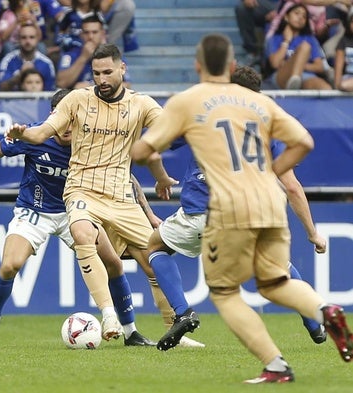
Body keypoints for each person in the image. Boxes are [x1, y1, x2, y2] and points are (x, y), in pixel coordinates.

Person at [131, 33, 353, 383]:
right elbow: (303, 145)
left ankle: (198, 322)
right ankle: (323, 312)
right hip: (267, 206)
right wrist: (271, 180)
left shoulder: (191, 102)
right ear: (232, 65)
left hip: (220, 208)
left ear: (198, 65)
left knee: (208, 281)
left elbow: (143, 151)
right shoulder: (264, 108)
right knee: (276, 278)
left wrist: (159, 172)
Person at [0, 89, 155, 348]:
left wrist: (149, 214)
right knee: (9, 265)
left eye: (72, 119)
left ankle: (131, 332)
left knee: (114, 264)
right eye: (61, 118)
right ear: (54, 115)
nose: (66, 127)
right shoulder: (35, 135)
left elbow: (125, 177)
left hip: (76, 210)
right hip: (34, 211)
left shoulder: (91, 141)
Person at [145, 65, 328, 352]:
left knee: (155, 248)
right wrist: (312, 233)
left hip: (202, 211)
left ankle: (182, 313)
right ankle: (313, 321)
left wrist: (160, 176)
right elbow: (292, 186)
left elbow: (156, 143)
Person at [5, 43, 179, 341]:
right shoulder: (76, 100)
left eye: (108, 72)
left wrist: (161, 177)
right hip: (82, 189)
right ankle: (109, 315)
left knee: (156, 256)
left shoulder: (142, 105)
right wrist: (23, 133)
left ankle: (175, 328)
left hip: (121, 194)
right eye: (96, 73)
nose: (101, 79)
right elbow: (41, 133)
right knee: (83, 234)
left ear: (122, 68)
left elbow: (169, 134)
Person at [264, 3, 332, 89]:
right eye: (296, 13)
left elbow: (319, 67)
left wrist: (298, 64)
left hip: (305, 75)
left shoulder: (310, 39)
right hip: (281, 75)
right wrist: (286, 41)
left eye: (304, 16)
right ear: (286, 17)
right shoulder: (274, 38)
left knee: (325, 88)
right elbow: (275, 64)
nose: (300, 18)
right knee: (305, 47)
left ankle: (295, 81)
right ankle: (294, 80)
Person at [56, 14, 130, 89]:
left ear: (103, 34)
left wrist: (92, 86)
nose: (90, 37)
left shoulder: (114, 55)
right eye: (86, 32)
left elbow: (126, 85)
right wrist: (83, 57)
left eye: (95, 32)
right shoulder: (70, 54)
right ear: (81, 35)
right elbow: (61, 83)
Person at [0, 23, 55, 91]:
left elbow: (50, 92)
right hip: (13, 101)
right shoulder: (8, 60)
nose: (28, 41)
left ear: (37, 39)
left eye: (31, 37)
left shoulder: (47, 63)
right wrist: (20, 75)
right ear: (18, 39)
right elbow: (1, 88)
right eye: (24, 37)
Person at [234, 0, 278, 66]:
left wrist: (280, 10)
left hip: (284, 5)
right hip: (262, 3)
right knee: (241, 8)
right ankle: (252, 52)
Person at [333, 10, 353, 91]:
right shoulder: (343, 41)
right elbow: (338, 68)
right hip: (348, 79)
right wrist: (338, 85)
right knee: (344, 85)